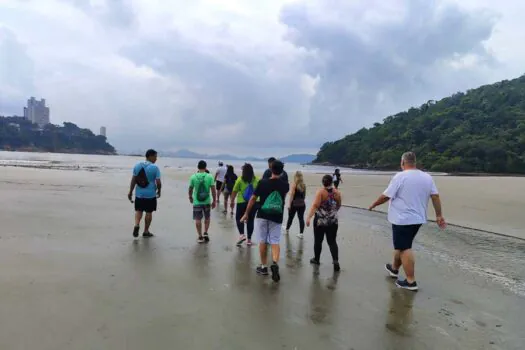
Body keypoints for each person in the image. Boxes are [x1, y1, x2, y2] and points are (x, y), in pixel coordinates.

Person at [369, 151, 446, 291]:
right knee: (402, 244)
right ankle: (394, 268)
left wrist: (374, 204)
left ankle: (411, 281)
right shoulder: (427, 177)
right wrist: (439, 215)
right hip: (417, 219)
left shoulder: (400, 176)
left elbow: (387, 196)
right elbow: (435, 196)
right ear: (414, 162)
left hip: (402, 219)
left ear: (402, 162)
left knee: (404, 248)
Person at [241, 160, 289, 282]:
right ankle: (275, 262)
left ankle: (263, 267)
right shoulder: (285, 185)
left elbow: (253, 198)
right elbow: (282, 199)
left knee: (262, 241)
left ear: (271, 169)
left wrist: (246, 213)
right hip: (277, 216)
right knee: (275, 241)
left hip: (262, 214)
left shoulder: (263, 182)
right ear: (282, 171)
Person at [306, 175, 342, 272]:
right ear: (331, 182)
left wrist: (309, 217)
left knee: (318, 241)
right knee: (332, 241)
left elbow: (315, 206)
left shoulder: (321, 192)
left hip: (320, 221)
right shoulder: (337, 192)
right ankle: (335, 261)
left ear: (323, 182)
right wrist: (332, 213)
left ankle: (316, 259)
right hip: (333, 221)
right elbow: (339, 205)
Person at [128, 149, 162, 238]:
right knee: (149, 212)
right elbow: (158, 182)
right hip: (150, 194)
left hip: (139, 193)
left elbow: (133, 180)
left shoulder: (137, 165)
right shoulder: (155, 168)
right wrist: (159, 191)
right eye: (155, 156)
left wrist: (130, 191)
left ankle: (136, 225)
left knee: (139, 211)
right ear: (150, 156)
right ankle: (146, 231)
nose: (156, 159)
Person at [231, 163, 259, 246]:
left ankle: (242, 235)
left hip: (241, 202)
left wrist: (232, 201)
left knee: (239, 218)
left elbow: (234, 191)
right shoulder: (257, 180)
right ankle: (249, 240)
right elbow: (260, 192)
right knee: (251, 220)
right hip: (253, 203)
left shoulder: (239, 180)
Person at [189, 160, 217, 243]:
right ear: (205, 167)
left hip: (197, 202)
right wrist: (214, 201)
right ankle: (205, 232)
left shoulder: (193, 177)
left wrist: (190, 197)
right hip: (207, 201)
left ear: (198, 167)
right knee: (207, 218)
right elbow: (213, 190)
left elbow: (190, 189)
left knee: (198, 219)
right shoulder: (209, 176)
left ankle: (200, 237)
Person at [286, 171, 306, 238]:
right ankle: (301, 234)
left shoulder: (294, 184)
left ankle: (287, 229)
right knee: (301, 218)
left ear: (296, 177)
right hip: (302, 204)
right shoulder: (303, 185)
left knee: (290, 217)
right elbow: (304, 196)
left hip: (294, 204)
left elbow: (292, 195)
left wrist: (289, 205)